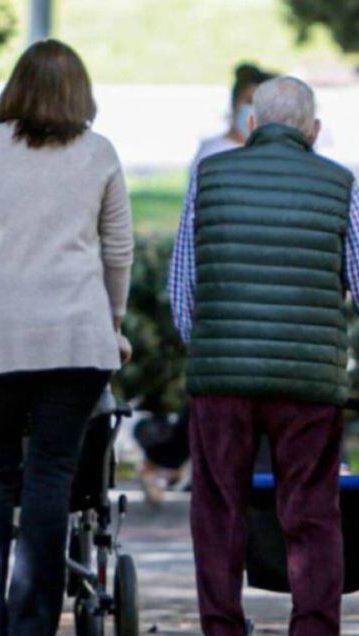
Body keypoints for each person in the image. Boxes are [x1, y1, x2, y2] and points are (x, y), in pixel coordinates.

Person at [169, 76, 359, 636]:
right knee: (312, 511)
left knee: (219, 507)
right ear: (313, 130)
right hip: (307, 383)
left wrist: (214, 350)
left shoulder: (210, 177)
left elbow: (181, 290)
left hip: (221, 381)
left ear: (251, 126)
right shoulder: (339, 184)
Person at [0, 39, 134, 636]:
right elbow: (118, 252)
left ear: (16, 90)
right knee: (50, 480)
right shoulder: (100, 154)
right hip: (76, 341)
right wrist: (114, 325)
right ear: (81, 94)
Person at [138, 62, 276, 505]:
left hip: (261, 290)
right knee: (218, 393)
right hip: (223, 289)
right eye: (246, 103)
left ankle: (164, 455)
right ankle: (167, 457)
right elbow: (195, 227)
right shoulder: (212, 153)